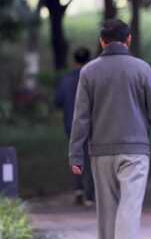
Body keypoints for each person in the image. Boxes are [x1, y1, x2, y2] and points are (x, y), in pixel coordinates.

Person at [69, 19, 151, 239]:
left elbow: (81, 118)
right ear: (129, 39)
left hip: (101, 153)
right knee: (129, 207)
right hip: (135, 152)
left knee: (106, 212)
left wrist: (76, 155)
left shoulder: (88, 72)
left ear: (102, 41)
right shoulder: (141, 69)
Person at [55, 47, 95, 206]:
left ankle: (78, 189)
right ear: (89, 59)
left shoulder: (65, 80)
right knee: (90, 158)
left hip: (71, 125)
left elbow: (57, 101)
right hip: (91, 125)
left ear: (74, 60)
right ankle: (90, 195)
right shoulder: (93, 78)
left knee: (76, 156)